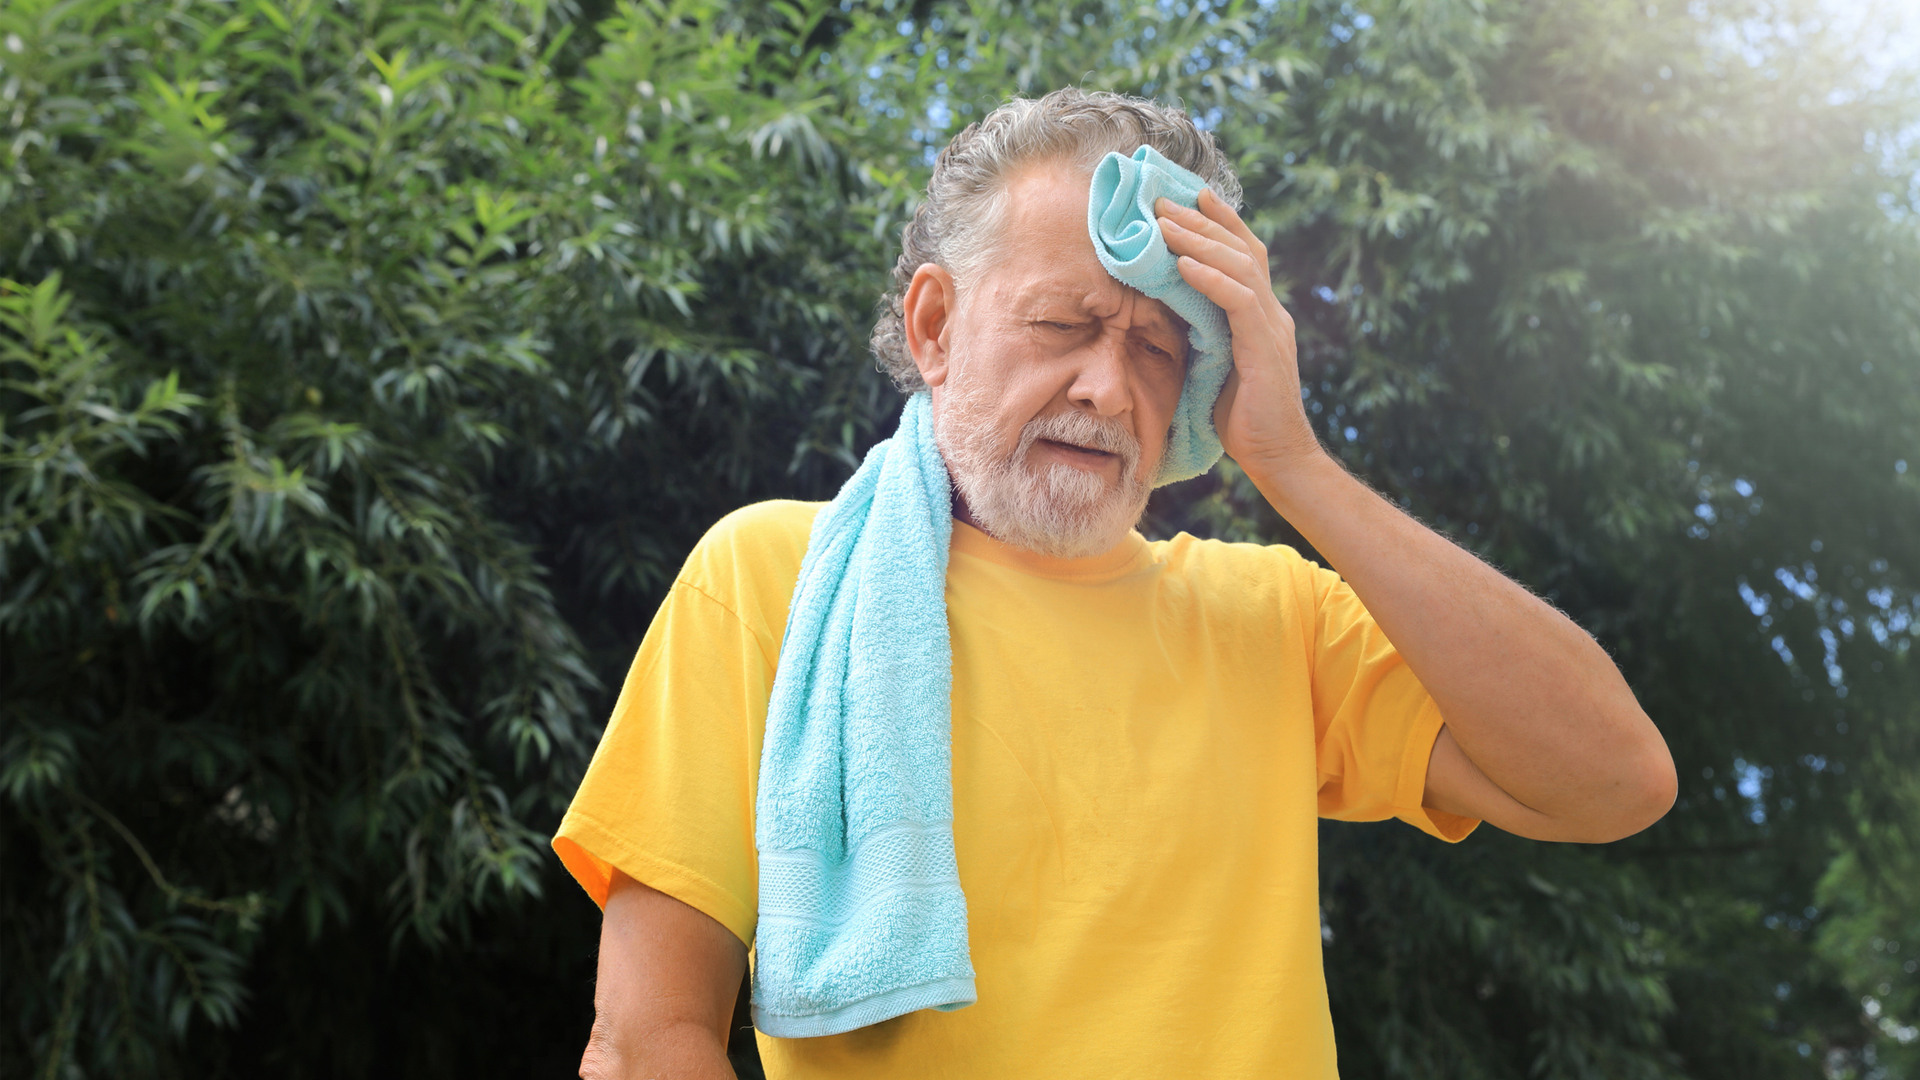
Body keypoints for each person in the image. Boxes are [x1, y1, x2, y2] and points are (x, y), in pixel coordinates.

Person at [553, 88, 1677, 1080]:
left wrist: (1294, 465)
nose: (1106, 385)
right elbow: (646, 1039)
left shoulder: (1275, 618)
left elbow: (1612, 780)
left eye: (1158, 350)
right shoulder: (774, 579)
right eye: (1064, 325)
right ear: (935, 325)